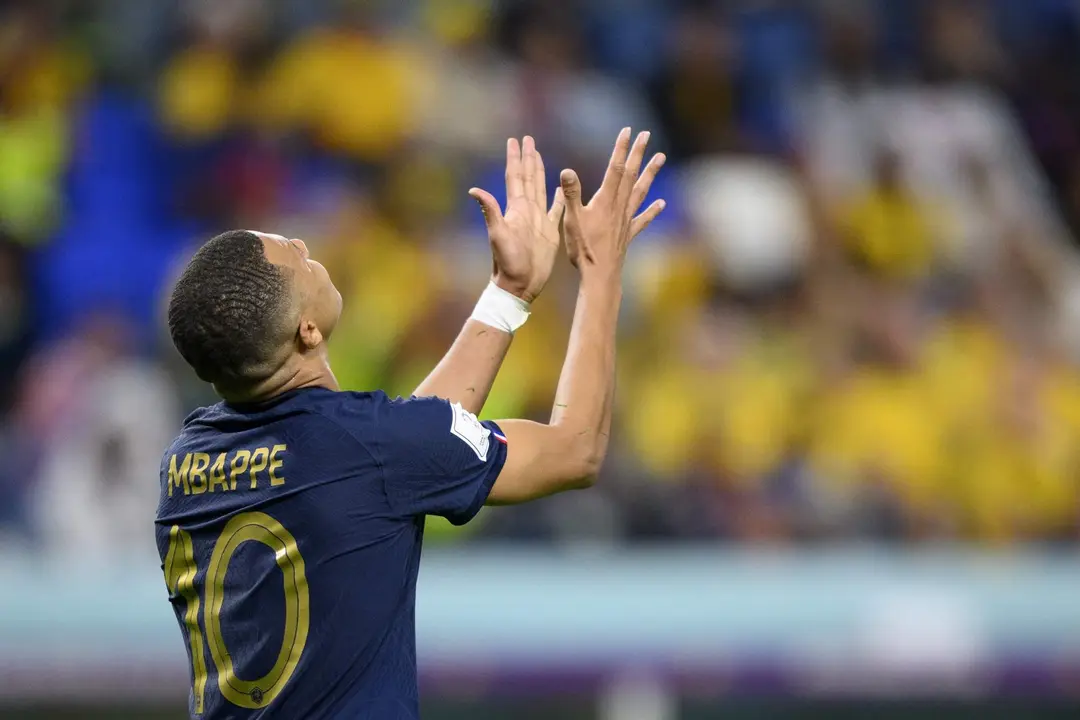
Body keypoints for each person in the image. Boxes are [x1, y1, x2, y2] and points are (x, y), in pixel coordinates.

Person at [155, 128, 665, 719]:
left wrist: (510, 294)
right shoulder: (368, 450)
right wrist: (600, 270)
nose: (301, 242)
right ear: (307, 332)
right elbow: (575, 449)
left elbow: (404, 446)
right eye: (295, 256)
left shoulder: (183, 462)